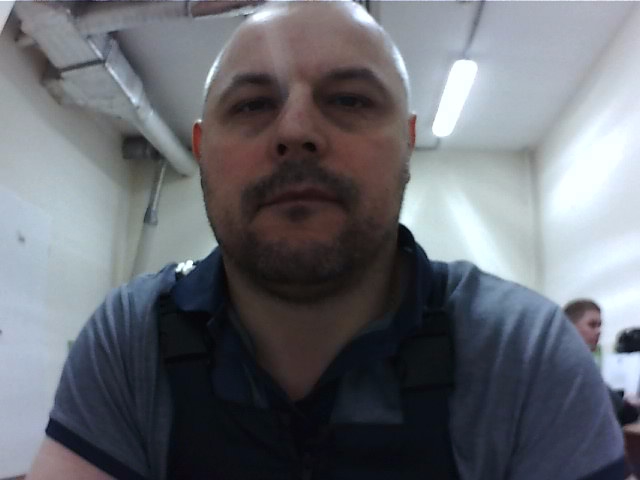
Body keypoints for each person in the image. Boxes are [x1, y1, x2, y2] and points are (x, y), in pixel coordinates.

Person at [28, 3, 623, 479]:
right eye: (253, 104)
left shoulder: (526, 354)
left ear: (407, 141)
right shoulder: (130, 341)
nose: (295, 130)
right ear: (203, 150)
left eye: (349, 99)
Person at [564, 299, 639, 426]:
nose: (599, 331)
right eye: (592, 325)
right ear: (570, 326)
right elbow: (624, 413)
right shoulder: (576, 364)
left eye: (599, 325)